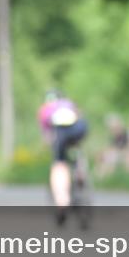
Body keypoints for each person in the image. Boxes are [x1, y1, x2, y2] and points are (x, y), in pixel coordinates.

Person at [37, 90, 88, 224]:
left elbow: (47, 135)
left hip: (60, 133)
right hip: (78, 129)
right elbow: (80, 118)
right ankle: (80, 172)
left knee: (59, 164)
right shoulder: (69, 103)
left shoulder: (45, 110)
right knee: (76, 150)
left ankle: (62, 201)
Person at [97, 113, 128, 178]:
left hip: (122, 153)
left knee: (110, 158)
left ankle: (106, 176)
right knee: (102, 156)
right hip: (115, 153)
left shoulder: (124, 135)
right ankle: (102, 176)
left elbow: (122, 147)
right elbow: (110, 146)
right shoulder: (114, 137)